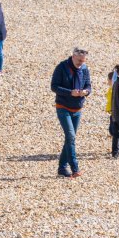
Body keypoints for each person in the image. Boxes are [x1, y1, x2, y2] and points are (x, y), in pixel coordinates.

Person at [51, 47, 91, 178]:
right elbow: (54, 86)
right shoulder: (61, 67)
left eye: (83, 61)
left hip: (77, 108)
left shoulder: (84, 69)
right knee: (71, 137)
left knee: (70, 138)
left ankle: (62, 168)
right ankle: (75, 168)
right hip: (63, 107)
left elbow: (88, 85)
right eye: (79, 60)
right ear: (73, 56)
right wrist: (70, 92)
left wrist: (86, 92)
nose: (81, 63)